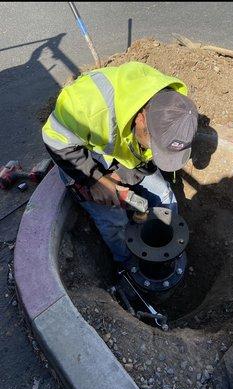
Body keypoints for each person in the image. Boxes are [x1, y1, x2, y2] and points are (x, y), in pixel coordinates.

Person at [42, 61, 198, 265]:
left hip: (122, 146)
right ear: (141, 119)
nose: (153, 152)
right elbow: (54, 140)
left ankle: (162, 249)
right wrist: (96, 180)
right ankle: (130, 264)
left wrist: (123, 177)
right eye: (155, 146)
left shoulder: (170, 109)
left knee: (164, 195)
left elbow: (145, 155)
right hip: (83, 153)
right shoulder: (87, 105)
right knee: (115, 221)